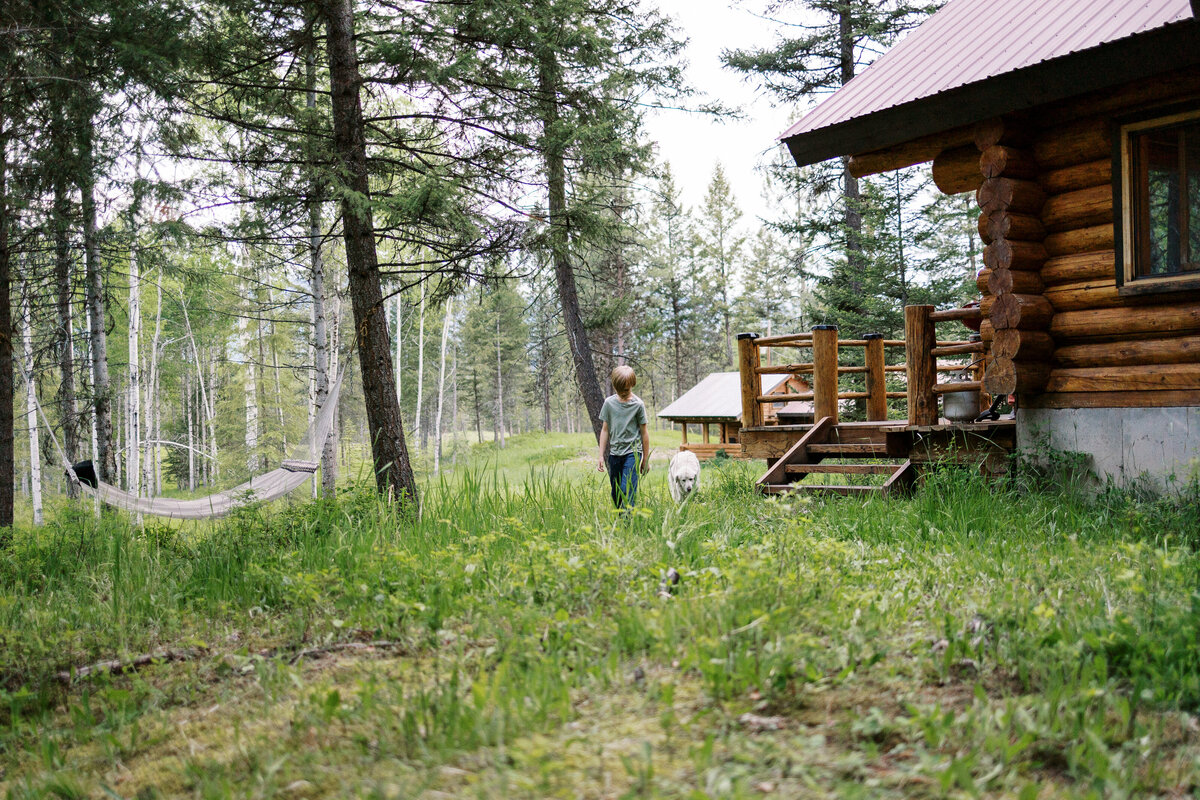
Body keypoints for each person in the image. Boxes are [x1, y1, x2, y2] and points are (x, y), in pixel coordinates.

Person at [596, 365, 650, 509]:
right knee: (616, 493)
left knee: (627, 488)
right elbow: (605, 430)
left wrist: (645, 458)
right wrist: (601, 455)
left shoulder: (638, 405)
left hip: (632, 452)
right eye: (619, 390)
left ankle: (628, 524)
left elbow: (644, 433)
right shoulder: (609, 403)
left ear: (632, 384)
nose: (622, 393)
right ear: (614, 386)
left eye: (626, 390)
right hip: (615, 453)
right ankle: (621, 523)